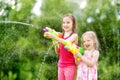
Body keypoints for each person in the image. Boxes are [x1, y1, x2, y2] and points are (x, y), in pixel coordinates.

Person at [44, 14, 78, 80]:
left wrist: (54, 36)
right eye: (63, 22)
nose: (65, 24)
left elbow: (66, 42)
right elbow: (58, 52)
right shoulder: (61, 36)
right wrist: (54, 40)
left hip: (70, 66)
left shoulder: (74, 36)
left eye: (68, 22)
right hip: (61, 65)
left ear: (73, 24)